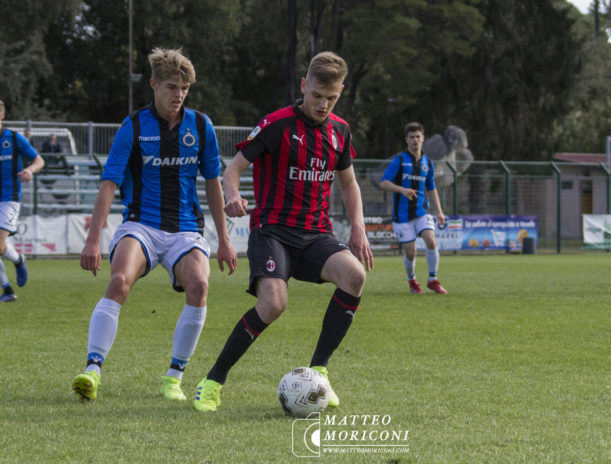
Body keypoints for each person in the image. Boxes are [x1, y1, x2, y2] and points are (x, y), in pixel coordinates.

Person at [193, 51, 374, 412]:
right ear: (304, 86)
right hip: (273, 232)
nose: (322, 105)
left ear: (340, 91)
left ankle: (319, 372)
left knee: (355, 276)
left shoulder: (340, 131)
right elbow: (232, 169)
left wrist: (359, 228)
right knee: (274, 304)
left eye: (331, 98)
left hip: (316, 234)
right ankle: (212, 381)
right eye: (316, 95)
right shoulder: (277, 125)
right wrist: (232, 195)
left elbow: (349, 183)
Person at [71, 48, 238, 402]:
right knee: (119, 280)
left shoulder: (201, 126)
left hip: (185, 229)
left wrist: (224, 239)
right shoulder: (132, 126)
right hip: (140, 225)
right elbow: (108, 183)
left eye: (185, 89)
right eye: (172, 87)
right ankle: (92, 370)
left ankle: (173, 378)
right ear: (154, 85)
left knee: (199, 285)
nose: (179, 95)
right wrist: (92, 240)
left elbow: (212, 183)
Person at [379, 122, 447, 295]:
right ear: (406, 140)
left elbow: (431, 188)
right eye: (411, 137)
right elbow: (384, 183)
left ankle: (433, 280)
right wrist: (402, 190)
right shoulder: (399, 160)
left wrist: (439, 211)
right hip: (402, 214)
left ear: (423, 138)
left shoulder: (427, 163)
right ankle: (412, 281)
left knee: (431, 241)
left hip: (421, 211)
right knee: (411, 253)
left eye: (418, 136)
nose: (415, 140)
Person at [0, 101, 44, 302]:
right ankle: (8, 290)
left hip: (9, 198)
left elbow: (39, 160)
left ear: (2, 116)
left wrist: (29, 170)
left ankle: (18, 260)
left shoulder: (14, 138)